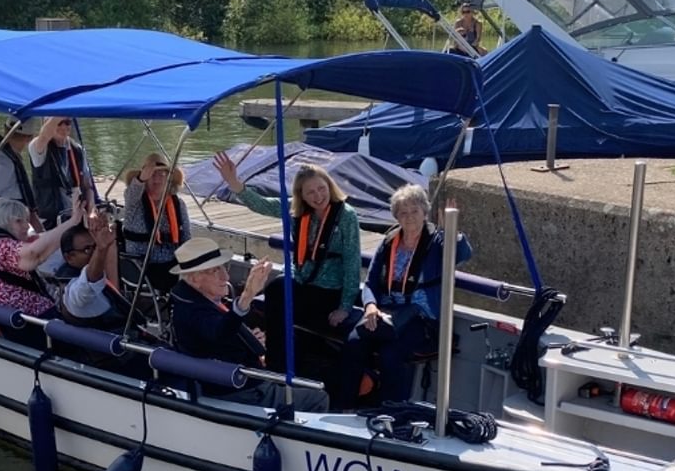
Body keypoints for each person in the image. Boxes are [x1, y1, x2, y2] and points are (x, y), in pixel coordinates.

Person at [211, 151, 361, 401]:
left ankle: (288, 364)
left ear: (329, 187)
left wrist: (345, 307)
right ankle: (277, 366)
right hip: (302, 284)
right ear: (301, 196)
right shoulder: (298, 214)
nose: (318, 196)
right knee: (276, 288)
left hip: (329, 291)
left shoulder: (346, 216)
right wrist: (234, 183)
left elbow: (352, 263)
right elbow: (262, 204)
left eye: (321, 189)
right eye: (310, 192)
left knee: (282, 296)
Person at [167, 238, 328, 412]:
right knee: (319, 397)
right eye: (215, 271)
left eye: (224, 267)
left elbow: (222, 331)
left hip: (243, 378)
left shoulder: (194, 300)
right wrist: (248, 295)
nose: (226, 276)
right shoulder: (191, 312)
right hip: (241, 391)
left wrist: (250, 338)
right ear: (195, 279)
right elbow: (219, 331)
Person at [346, 184, 473, 404]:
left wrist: (451, 231)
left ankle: (392, 412)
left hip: (421, 318)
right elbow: (370, 283)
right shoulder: (388, 242)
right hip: (386, 311)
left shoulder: (437, 241)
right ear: (396, 217)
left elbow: (463, 254)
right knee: (354, 342)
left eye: (415, 211)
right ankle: (345, 404)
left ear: (425, 213)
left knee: (391, 354)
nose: (409, 217)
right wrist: (370, 306)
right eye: (403, 213)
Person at [0, 196, 89, 346]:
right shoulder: (1, 246)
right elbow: (34, 255)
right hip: (31, 325)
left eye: (26, 220)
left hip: (21, 322)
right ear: (2, 221)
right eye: (18, 221)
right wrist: (73, 221)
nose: (26, 226)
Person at [120, 152, 192, 296]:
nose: (157, 178)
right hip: (142, 265)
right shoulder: (134, 203)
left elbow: (186, 237)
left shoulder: (178, 204)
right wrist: (141, 178)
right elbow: (131, 193)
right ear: (145, 178)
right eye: (152, 174)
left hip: (173, 262)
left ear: (168, 178)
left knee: (203, 269)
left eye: (162, 174)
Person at [29, 116, 87, 231]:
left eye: (67, 122)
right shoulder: (38, 147)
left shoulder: (77, 149)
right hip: (51, 220)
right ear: (47, 123)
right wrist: (61, 108)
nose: (64, 126)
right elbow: (45, 135)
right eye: (59, 123)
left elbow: (87, 186)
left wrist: (91, 210)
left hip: (75, 215)